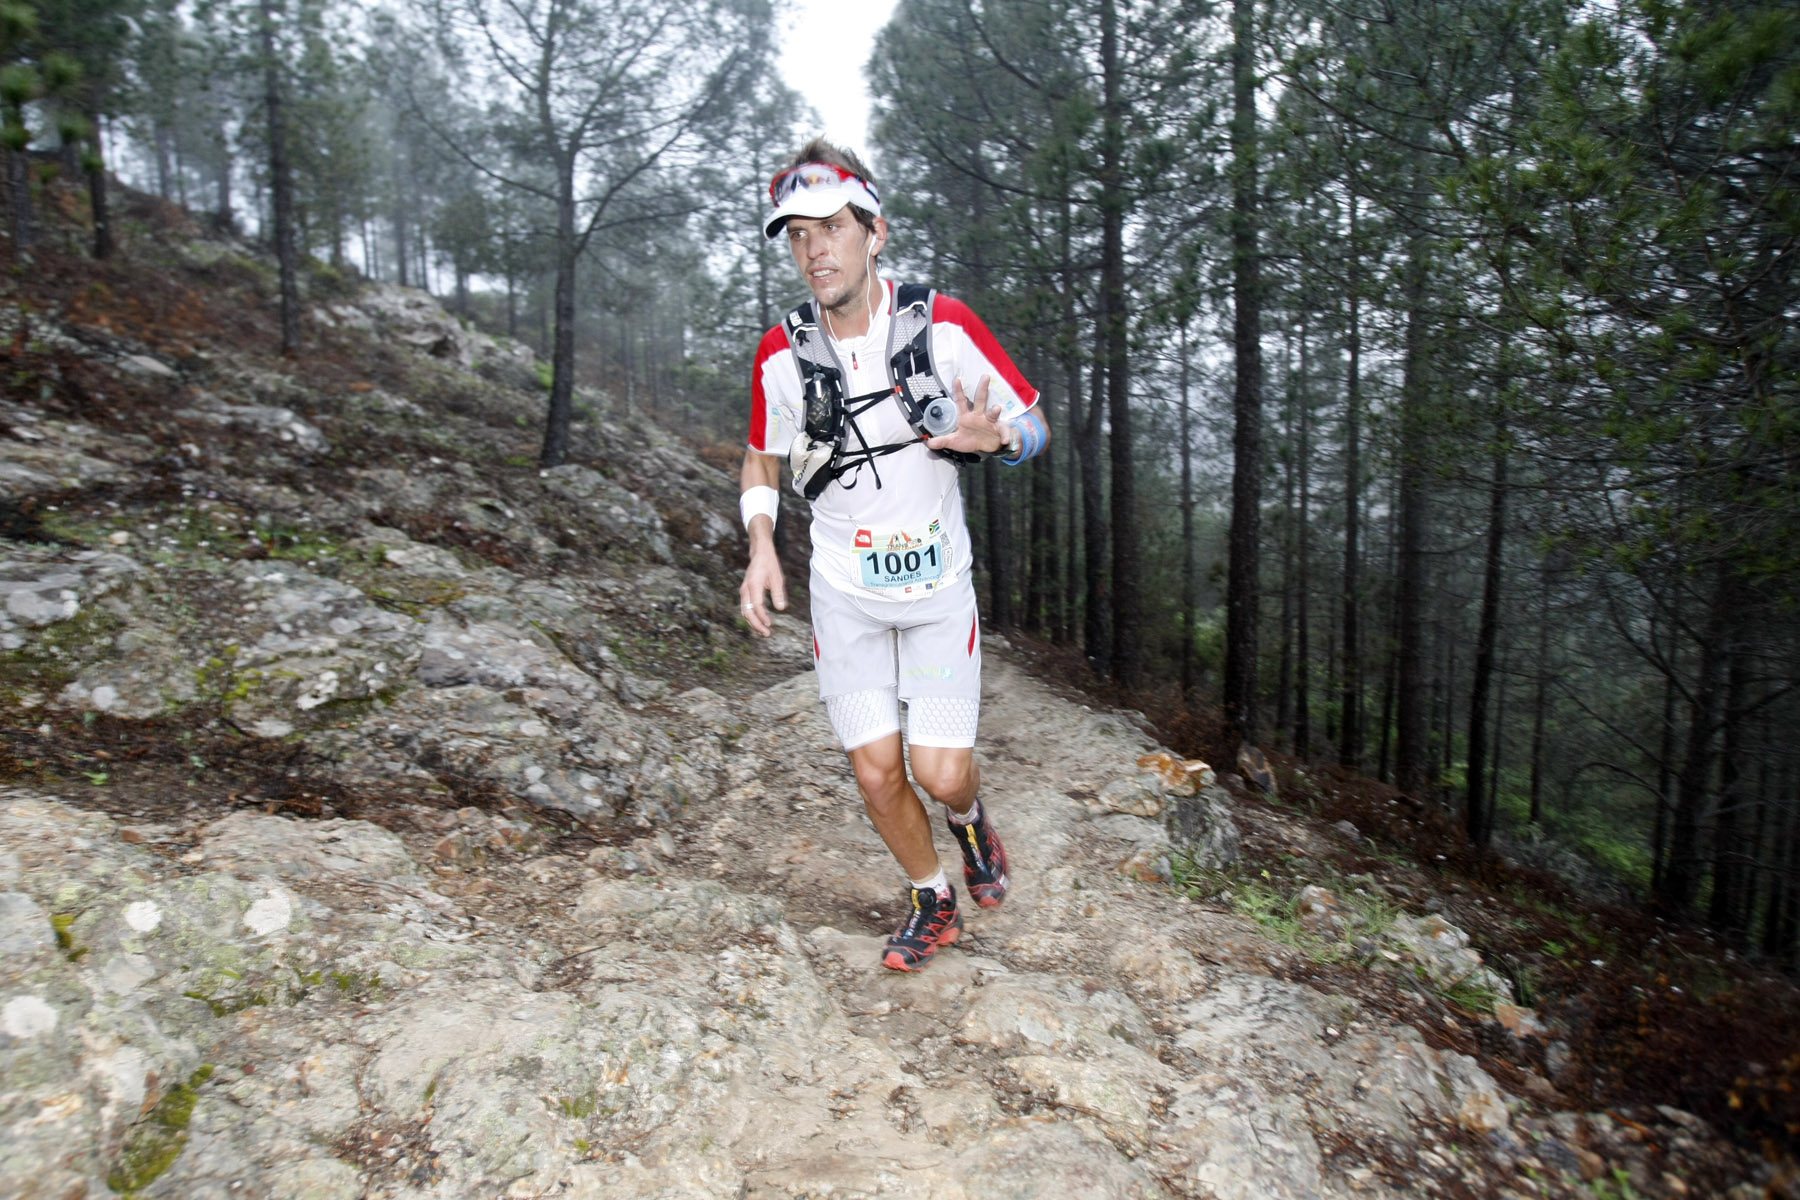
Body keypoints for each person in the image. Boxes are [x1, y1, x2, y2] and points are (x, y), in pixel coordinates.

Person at [737, 139, 1051, 972]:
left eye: (832, 228)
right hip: (845, 592)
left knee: (940, 773)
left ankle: (969, 820)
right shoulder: (781, 353)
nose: (815, 250)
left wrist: (998, 440)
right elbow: (761, 457)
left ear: (875, 232)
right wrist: (761, 546)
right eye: (798, 235)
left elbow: (1034, 424)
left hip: (938, 591)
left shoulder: (943, 326)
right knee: (877, 774)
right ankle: (931, 900)